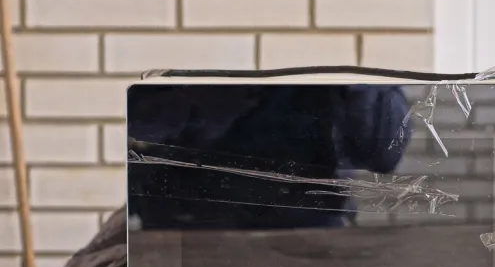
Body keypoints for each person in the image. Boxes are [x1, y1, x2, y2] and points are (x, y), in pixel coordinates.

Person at [127, 83, 412, 230]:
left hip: (308, 233)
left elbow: (385, 154)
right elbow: (134, 127)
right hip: (188, 228)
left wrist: (355, 76)